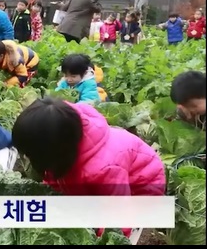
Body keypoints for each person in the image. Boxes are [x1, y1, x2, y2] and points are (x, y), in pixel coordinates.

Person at [11, 97, 166, 237]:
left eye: (31, 153)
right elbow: (52, 182)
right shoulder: (62, 138)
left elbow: (118, 220)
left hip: (140, 187)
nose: (28, 158)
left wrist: (98, 238)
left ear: (55, 150)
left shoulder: (105, 168)